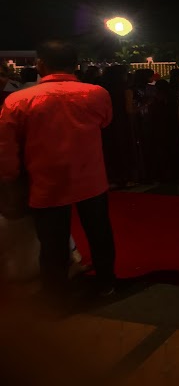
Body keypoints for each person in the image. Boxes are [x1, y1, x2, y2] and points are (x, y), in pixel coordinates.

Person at [0, 40, 117, 304]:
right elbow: (105, 121)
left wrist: (9, 178)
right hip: (90, 178)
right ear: (75, 64)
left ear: (40, 64)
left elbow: (6, 148)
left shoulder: (18, 100)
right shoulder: (97, 94)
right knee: (99, 232)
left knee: (52, 242)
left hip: (46, 182)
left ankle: (56, 294)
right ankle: (106, 283)